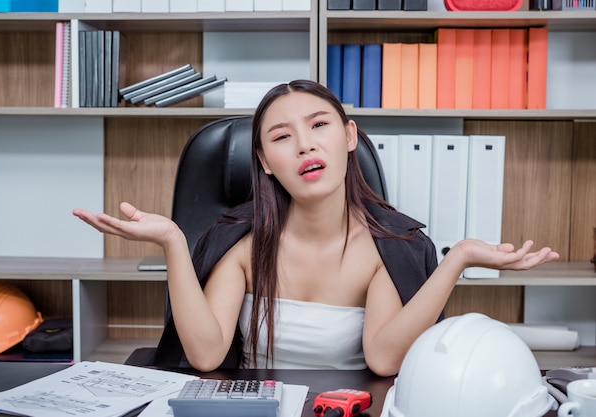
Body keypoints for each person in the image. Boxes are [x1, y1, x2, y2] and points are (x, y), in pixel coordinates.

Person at [73, 79, 559, 377]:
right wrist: (173, 241)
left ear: (349, 137)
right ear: (263, 161)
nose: (305, 146)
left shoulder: (389, 246)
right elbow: (204, 355)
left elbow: (386, 361)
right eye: (282, 137)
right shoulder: (239, 242)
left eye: (319, 126)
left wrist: (457, 260)